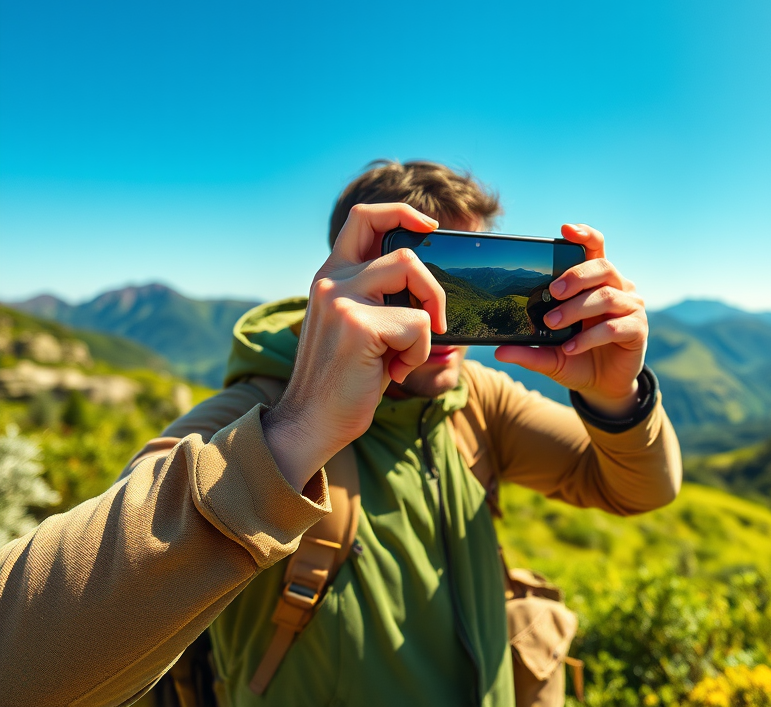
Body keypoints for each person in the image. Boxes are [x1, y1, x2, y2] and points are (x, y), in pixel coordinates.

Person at [0, 161, 681, 707]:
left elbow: (640, 488)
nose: (446, 326)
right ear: (346, 280)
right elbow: (23, 668)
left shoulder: (476, 399)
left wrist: (617, 396)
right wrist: (296, 431)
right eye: (418, 285)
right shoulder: (255, 415)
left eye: (470, 288)